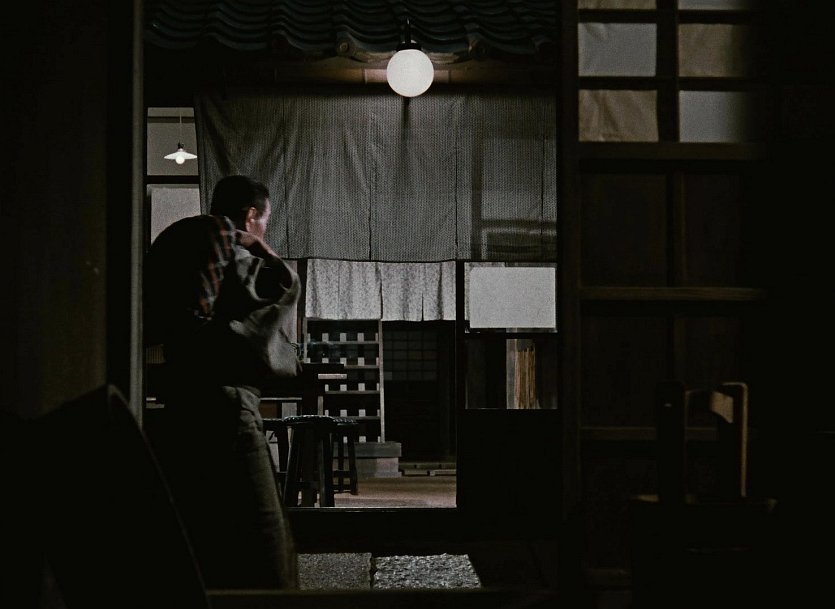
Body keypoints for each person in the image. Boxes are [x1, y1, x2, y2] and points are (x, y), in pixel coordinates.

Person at [144, 175, 300, 590]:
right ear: (251, 216)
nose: (263, 232)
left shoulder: (176, 240)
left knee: (207, 534)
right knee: (268, 537)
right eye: (264, 222)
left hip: (183, 401)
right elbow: (284, 288)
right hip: (225, 400)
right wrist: (262, 249)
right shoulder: (219, 234)